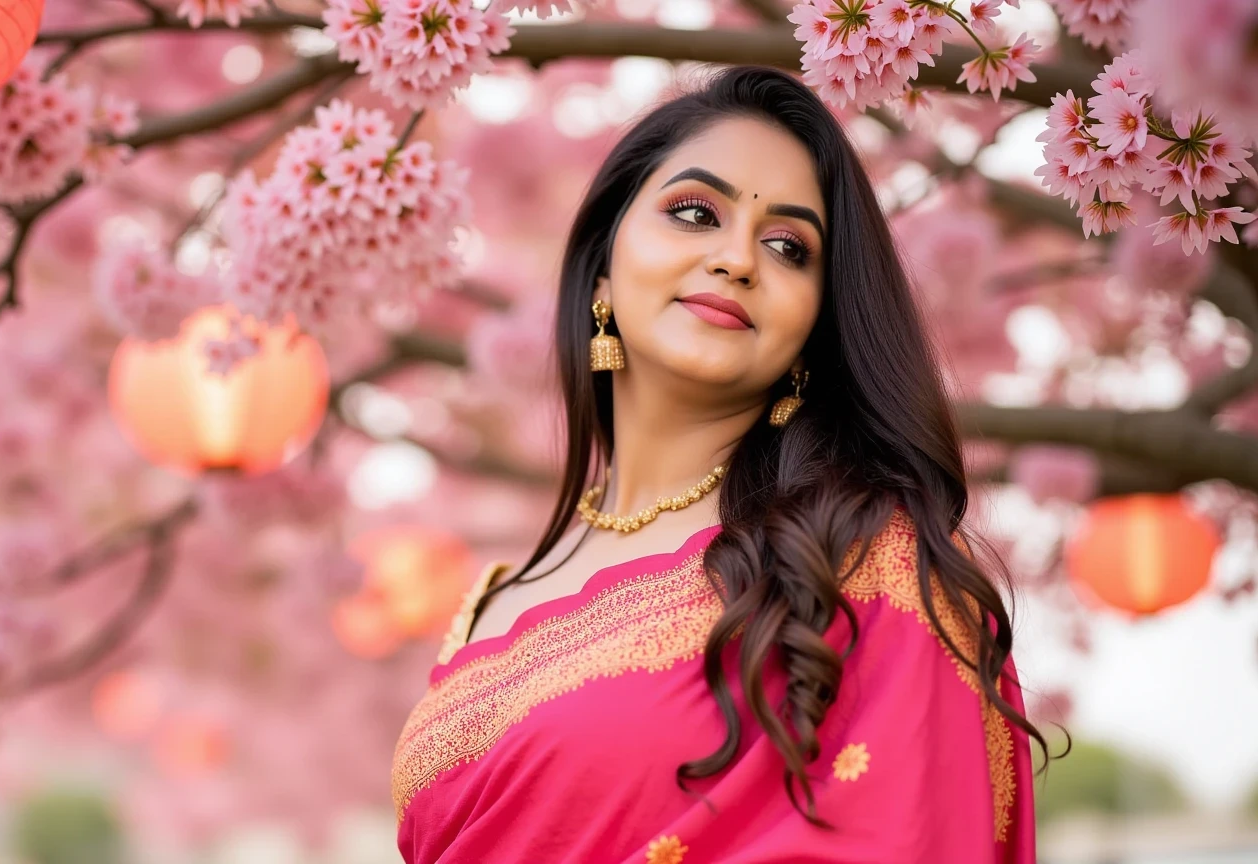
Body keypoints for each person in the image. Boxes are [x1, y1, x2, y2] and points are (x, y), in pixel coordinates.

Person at [390, 65, 1050, 864]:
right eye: (695, 212)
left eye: (788, 246)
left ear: (814, 323)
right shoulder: (490, 599)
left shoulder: (869, 572)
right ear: (603, 265)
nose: (738, 259)